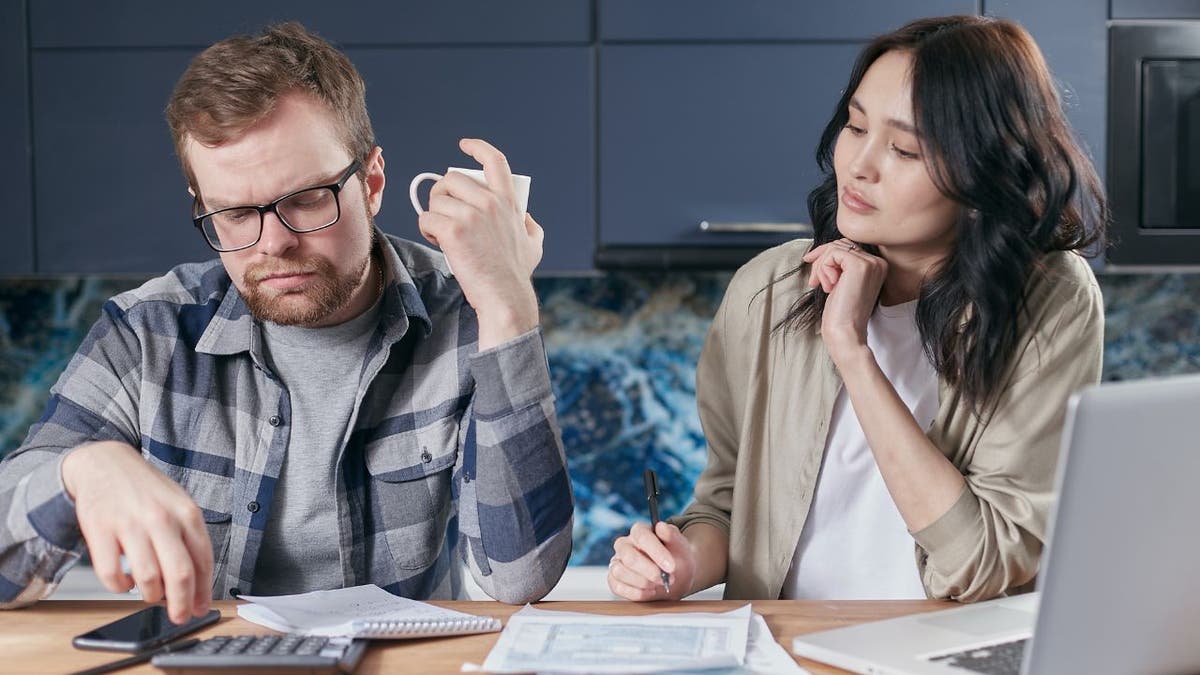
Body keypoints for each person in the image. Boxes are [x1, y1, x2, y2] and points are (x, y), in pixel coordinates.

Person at [0, 22, 573, 623]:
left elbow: (521, 577)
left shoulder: (466, 314)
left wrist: (508, 304)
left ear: (371, 183)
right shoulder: (148, 332)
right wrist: (80, 472)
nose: (273, 243)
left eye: (305, 199)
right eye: (234, 212)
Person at [607, 15, 1106, 603]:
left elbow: (987, 561)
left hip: (943, 656)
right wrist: (685, 562)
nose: (859, 165)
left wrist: (851, 350)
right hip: (788, 651)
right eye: (855, 126)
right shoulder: (770, 288)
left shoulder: (1049, 301)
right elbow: (727, 503)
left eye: (903, 149)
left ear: (984, 170)